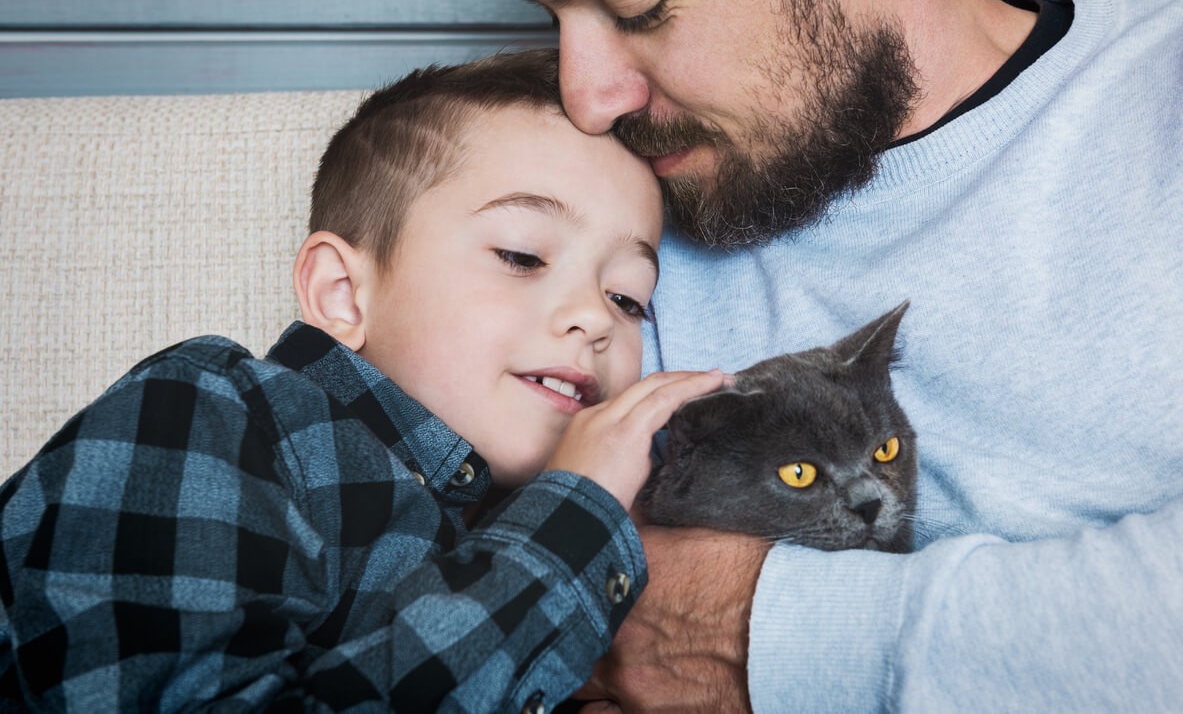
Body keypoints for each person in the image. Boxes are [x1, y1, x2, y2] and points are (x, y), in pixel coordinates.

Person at [483, 0, 1183, 710]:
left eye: (639, 7)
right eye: (551, 16)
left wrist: (765, 634)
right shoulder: (589, 230)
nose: (586, 100)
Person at [0, 48, 725, 711]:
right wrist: (576, 521)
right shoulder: (208, 414)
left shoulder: (529, 542)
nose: (594, 320)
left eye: (627, 298)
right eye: (522, 255)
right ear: (344, 295)